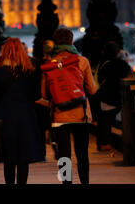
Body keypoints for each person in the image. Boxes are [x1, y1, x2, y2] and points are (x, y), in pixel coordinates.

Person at [40, 28, 98, 184]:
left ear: (56, 43)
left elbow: (44, 94)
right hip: (81, 114)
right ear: (71, 41)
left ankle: (67, 183)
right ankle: (85, 182)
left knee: (64, 155)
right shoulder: (82, 61)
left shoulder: (49, 64)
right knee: (82, 154)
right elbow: (92, 89)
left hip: (59, 115)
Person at [0, 38, 44, 185]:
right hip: (26, 115)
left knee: (9, 157)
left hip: (5, 116)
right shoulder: (30, 70)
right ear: (22, 50)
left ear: (4, 51)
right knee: (23, 157)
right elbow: (37, 95)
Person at [96, 41, 131, 151]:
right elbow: (128, 75)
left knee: (104, 120)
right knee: (109, 120)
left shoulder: (102, 64)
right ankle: (105, 143)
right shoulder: (121, 64)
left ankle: (102, 143)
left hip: (104, 96)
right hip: (116, 97)